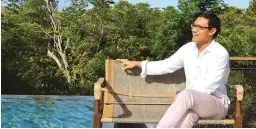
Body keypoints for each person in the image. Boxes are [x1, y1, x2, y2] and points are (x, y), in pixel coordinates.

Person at [117, 12, 230, 128]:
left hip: (216, 104)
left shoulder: (220, 54)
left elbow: (207, 87)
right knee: (185, 120)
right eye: (194, 26)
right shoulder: (188, 49)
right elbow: (166, 65)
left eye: (200, 27)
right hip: (192, 105)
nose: (194, 30)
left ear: (212, 31)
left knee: (186, 96)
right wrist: (138, 64)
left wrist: (183, 96)